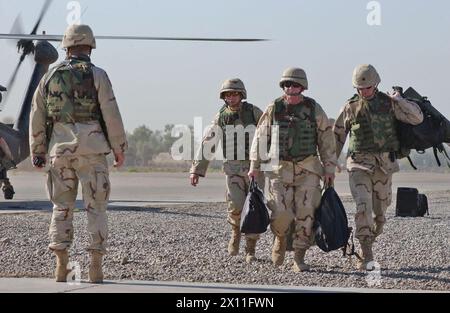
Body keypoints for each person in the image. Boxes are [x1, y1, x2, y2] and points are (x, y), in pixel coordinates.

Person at [29, 24, 127, 283]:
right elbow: (111, 113)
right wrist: (119, 148)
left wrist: (37, 151)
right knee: (97, 208)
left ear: (66, 47)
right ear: (90, 46)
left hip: (59, 153)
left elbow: (37, 116)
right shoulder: (98, 75)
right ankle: (95, 267)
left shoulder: (48, 77)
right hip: (93, 153)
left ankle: (61, 266)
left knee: (61, 207)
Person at [333, 64, 423, 270]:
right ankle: (366, 253)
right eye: (359, 88)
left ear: (376, 84)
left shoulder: (389, 104)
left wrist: (400, 100)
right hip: (358, 165)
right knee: (363, 206)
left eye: (367, 88)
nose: (363, 92)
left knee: (380, 215)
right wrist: (329, 164)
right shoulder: (350, 107)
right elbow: (336, 136)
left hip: (384, 166)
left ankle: (369, 240)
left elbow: (417, 118)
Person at [248, 67, 337, 272]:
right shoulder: (274, 107)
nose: (291, 87)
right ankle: (280, 238)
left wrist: (329, 168)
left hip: (308, 169)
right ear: (283, 86)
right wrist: (254, 165)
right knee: (281, 213)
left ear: (302, 87)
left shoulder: (314, 108)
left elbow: (326, 139)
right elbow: (261, 137)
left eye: (295, 84)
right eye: (287, 84)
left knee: (306, 214)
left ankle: (299, 256)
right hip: (280, 169)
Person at [190, 78, 265, 263]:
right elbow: (209, 142)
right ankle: (235, 233)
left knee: (254, 208)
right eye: (228, 95)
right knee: (235, 207)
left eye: (235, 94)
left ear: (241, 95)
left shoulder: (254, 112)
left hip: (255, 169)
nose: (231, 98)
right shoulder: (221, 117)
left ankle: (251, 249)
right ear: (224, 97)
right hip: (233, 169)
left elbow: (269, 132)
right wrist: (196, 170)